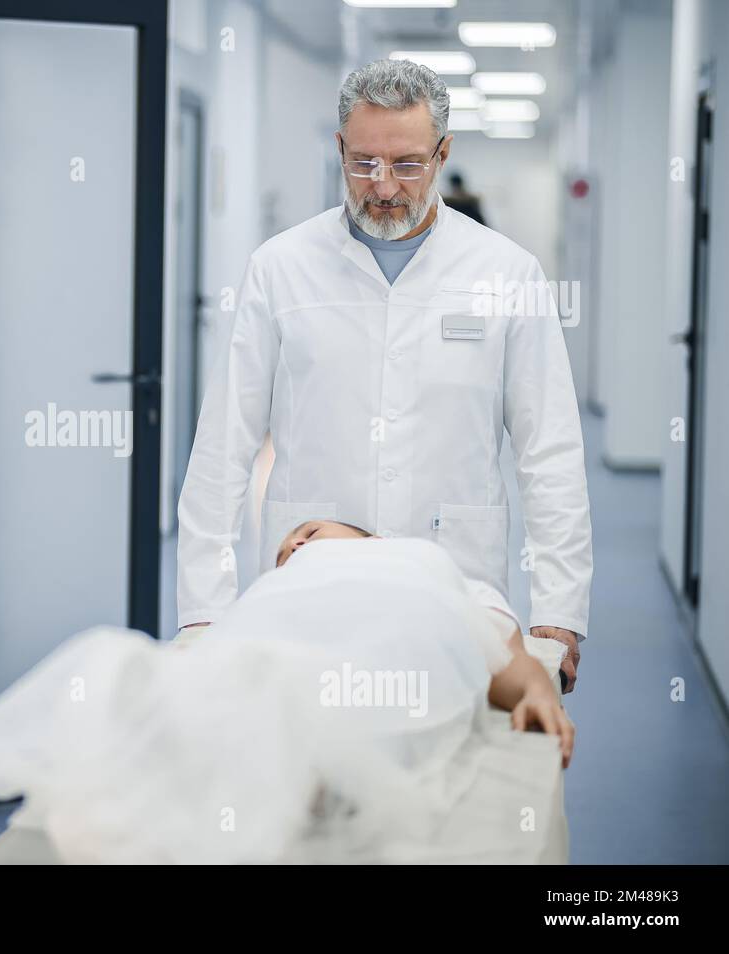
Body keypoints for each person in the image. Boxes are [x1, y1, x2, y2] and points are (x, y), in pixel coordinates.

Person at [176, 58, 592, 692]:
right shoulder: (281, 268)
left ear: (443, 152)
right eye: (364, 162)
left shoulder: (507, 274)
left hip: (460, 587)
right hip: (309, 583)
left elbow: (550, 451)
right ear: (340, 147)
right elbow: (222, 445)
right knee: (311, 769)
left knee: (444, 769)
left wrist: (559, 612)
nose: (385, 186)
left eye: (407, 164)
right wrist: (203, 609)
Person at [0, 532, 574, 864]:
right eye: (287, 548)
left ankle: (296, 758)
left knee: (359, 689)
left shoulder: (431, 567)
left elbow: (505, 654)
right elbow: (238, 631)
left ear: (366, 536)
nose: (297, 546)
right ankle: (246, 741)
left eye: (310, 533)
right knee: (236, 671)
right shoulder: (279, 588)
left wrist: (537, 690)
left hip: (392, 633)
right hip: (276, 639)